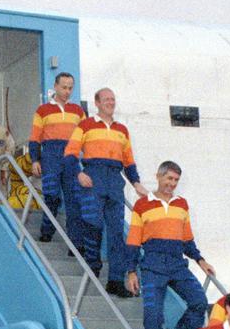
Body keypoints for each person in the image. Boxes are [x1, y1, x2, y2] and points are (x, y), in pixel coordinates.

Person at [124, 160, 214, 329]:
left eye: (176, 180)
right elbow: (134, 241)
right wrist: (131, 272)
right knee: (152, 315)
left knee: (199, 302)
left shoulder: (182, 204)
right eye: (169, 178)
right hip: (153, 266)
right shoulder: (142, 204)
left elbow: (187, 240)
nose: (172, 184)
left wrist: (201, 261)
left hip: (177, 265)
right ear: (158, 176)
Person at [62, 87, 149, 296]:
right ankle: (93, 265)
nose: (111, 102)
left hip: (114, 180)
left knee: (117, 233)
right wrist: (79, 173)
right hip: (93, 177)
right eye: (106, 99)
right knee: (93, 224)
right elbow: (70, 153)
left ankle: (115, 281)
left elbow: (128, 160)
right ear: (97, 103)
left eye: (113, 99)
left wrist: (136, 183)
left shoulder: (122, 130)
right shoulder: (85, 125)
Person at [28, 72, 86, 243]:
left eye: (70, 88)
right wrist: (35, 160)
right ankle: (46, 232)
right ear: (55, 86)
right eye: (64, 87)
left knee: (74, 201)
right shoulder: (42, 110)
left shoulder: (78, 111)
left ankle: (75, 244)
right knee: (52, 196)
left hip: (71, 159)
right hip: (50, 156)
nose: (67, 91)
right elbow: (35, 138)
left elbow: (86, 137)